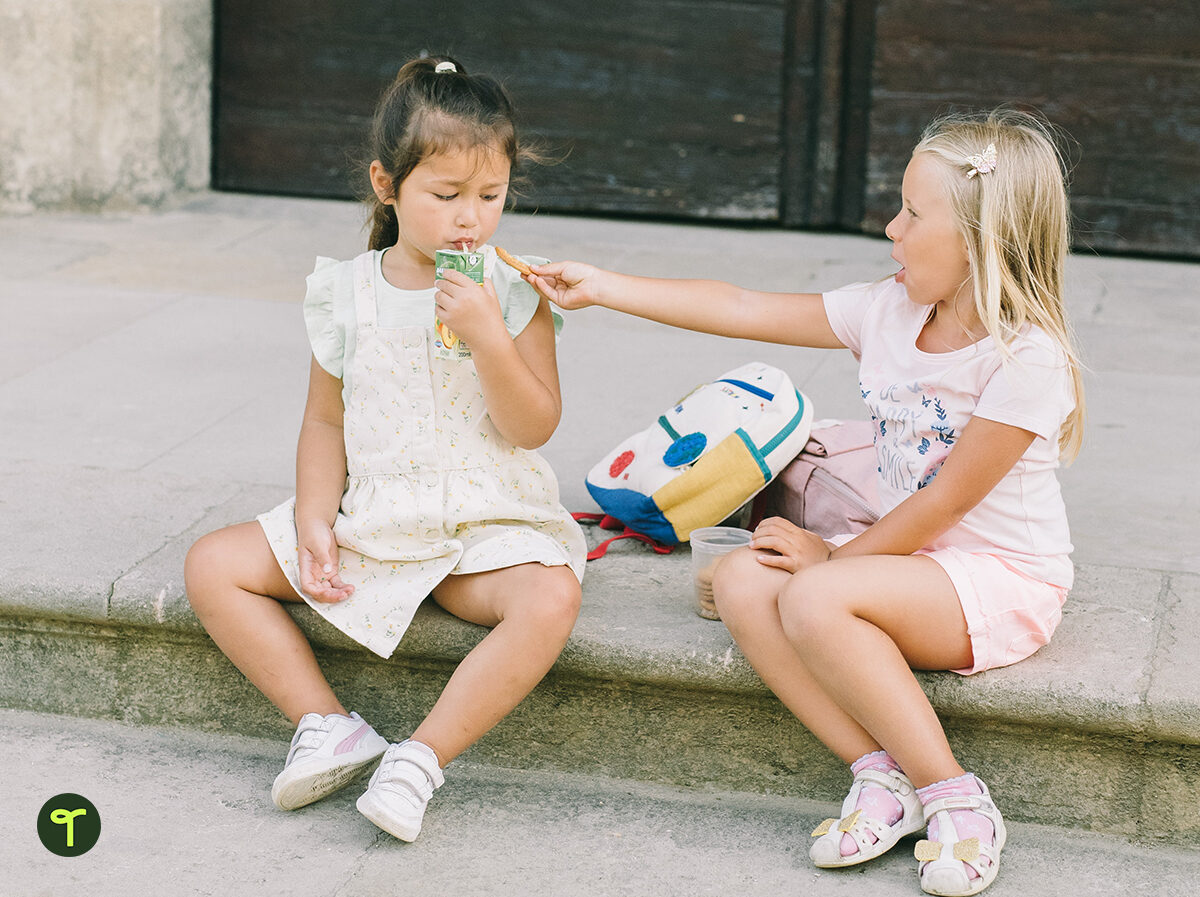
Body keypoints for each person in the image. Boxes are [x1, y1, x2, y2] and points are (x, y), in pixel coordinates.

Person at [527, 108, 1083, 896]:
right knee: (744, 581)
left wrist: (833, 556)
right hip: (904, 559)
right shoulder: (889, 310)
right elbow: (745, 306)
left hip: (996, 576)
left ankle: (956, 796)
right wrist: (606, 287)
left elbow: (947, 502)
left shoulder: (1025, 357)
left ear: (979, 242)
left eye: (913, 215)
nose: (892, 228)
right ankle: (878, 773)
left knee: (817, 596)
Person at [184, 55, 586, 843]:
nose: (470, 218)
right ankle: (327, 723)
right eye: (445, 196)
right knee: (212, 564)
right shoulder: (347, 290)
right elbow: (324, 422)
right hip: (378, 521)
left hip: (483, 527)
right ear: (387, 184)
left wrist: (489, 339)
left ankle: (420, 758)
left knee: (552, 596)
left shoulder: (514, 289)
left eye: (490, 195)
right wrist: (312, 517)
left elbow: (534, 423)